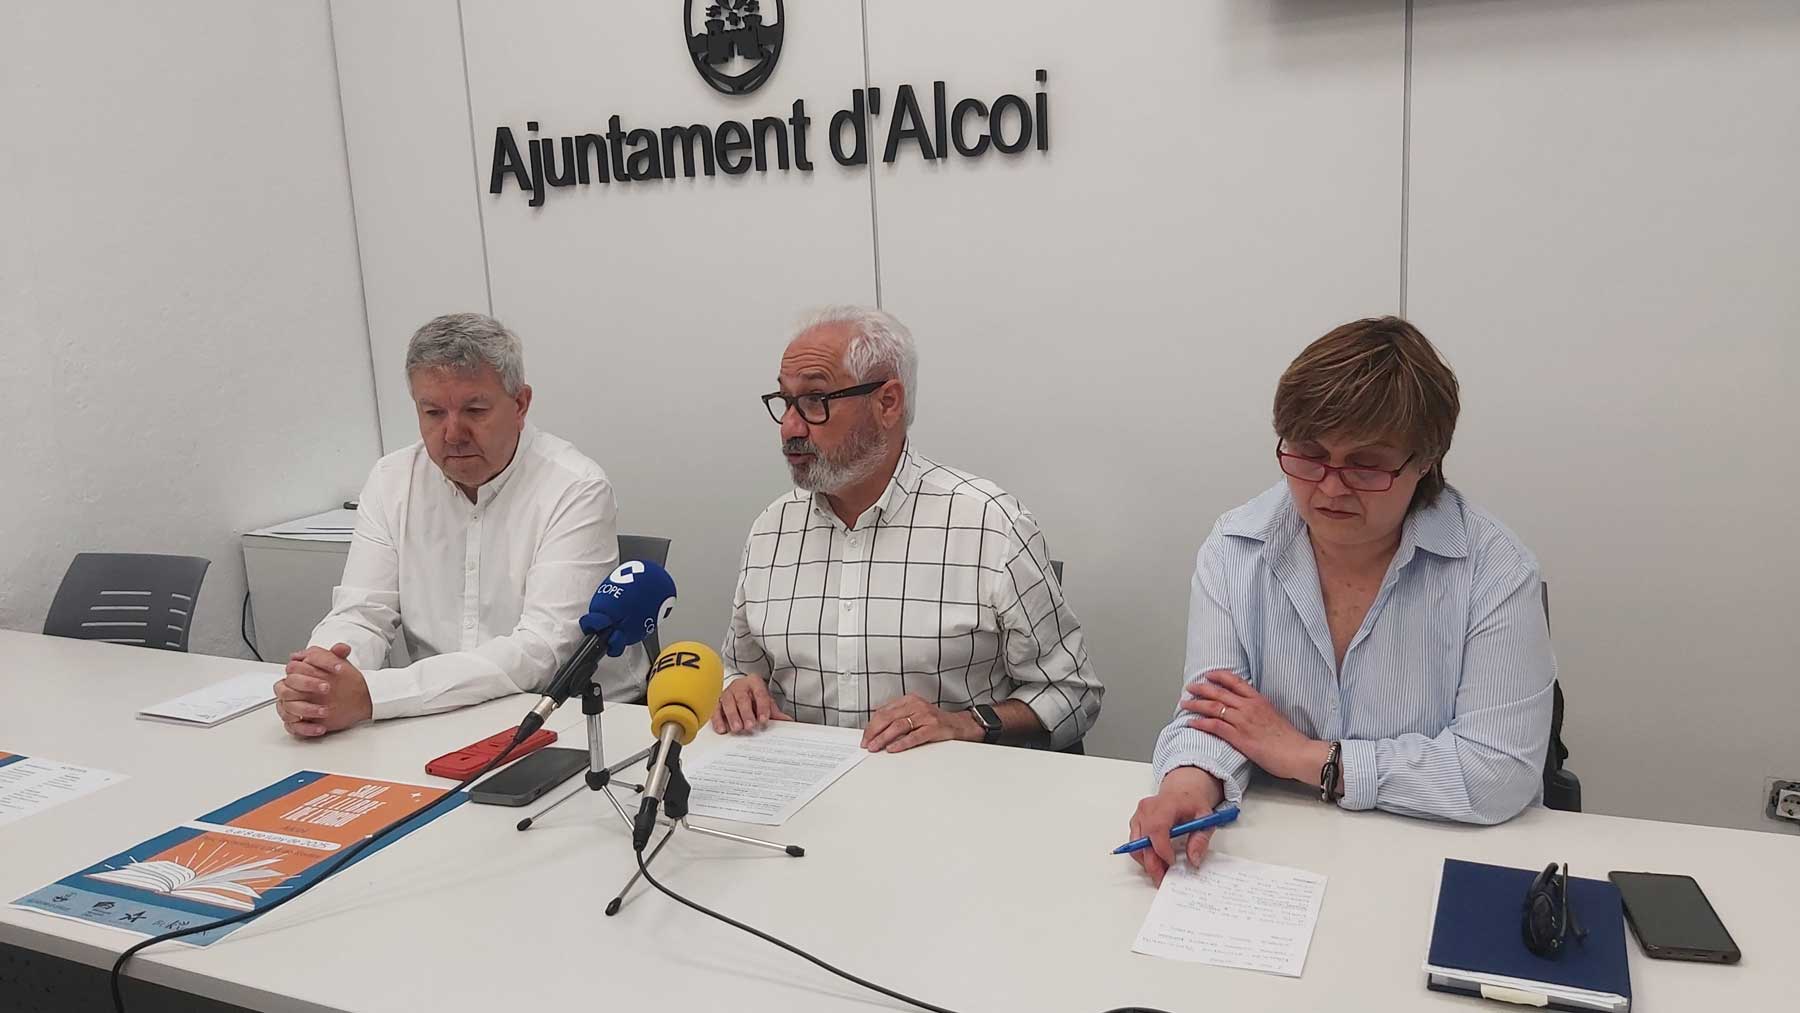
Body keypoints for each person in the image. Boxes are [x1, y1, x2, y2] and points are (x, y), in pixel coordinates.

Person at [1129, 317, 1554, 884]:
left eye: (1366, 465)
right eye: (1309, 454)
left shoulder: (1494, 570)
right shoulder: (1236, 550)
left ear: (1425, 461)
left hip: (1431, 857)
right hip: (1273, 852)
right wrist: (1186, 787)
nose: (1329, 487)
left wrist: (1309, 759)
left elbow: (1498, 771)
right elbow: (1212, 716)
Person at [714, 306, 1104, 753]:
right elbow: (739, 669)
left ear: (887, 403)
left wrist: (965, 724)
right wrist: (738, 691)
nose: (790, 426)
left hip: (943, 802)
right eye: (784, 402)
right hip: (799, 798)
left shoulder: (988, 525)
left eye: (815, 401)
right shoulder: (771, 529)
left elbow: (1073, 694)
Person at [274, 313, 640, 737]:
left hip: (572, 717)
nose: (452, 433)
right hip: (433, 713)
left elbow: (541, 652)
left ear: (520, 404)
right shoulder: (393, 479)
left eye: (475, 410)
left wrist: (375, 696)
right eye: (432, 412)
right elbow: (361, 614)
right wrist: (321, 683)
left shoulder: (575, 487)